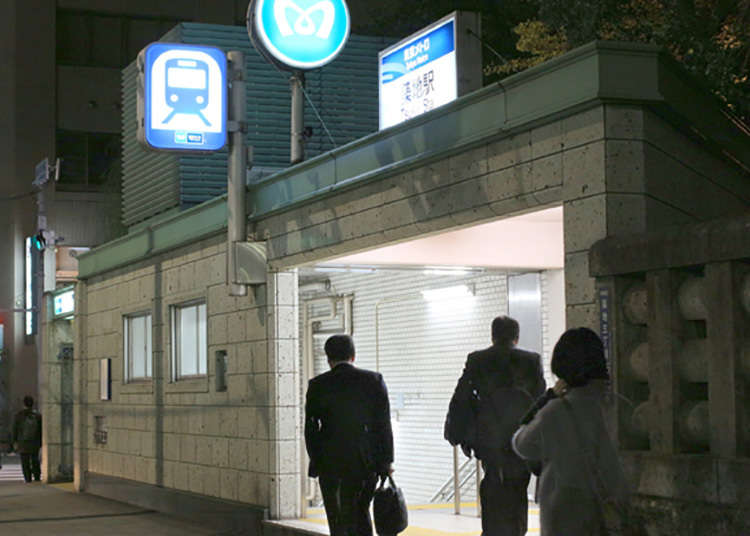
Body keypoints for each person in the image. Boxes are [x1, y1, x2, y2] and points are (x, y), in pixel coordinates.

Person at [512, 327, 629, 536]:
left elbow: (521, 444)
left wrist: (549, 397)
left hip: (566, 517)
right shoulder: (621, 406)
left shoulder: (556, 411)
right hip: (613, 514)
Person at [445, 316, 546, 536]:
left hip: (489, 437)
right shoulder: (531, 361)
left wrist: (457, 433)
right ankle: (517, 530)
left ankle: (492, 530)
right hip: (521, 438)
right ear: (516, 337)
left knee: (492, 484)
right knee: (518, 488)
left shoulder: (477, 360)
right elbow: (540, 400)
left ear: (493, 336)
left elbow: (461, 396)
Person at [305, 334, 394, 536]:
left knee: (336, 519)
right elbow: (383, 425)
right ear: (353, 356)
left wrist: (317, 460)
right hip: (365, 462)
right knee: (359, 512)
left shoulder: (318, 385)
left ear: (328, 358)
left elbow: (311, 428)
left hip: (330, 463)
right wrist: (386, 462)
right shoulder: (373, 380)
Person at [13, 395, 42, 483]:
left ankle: (27, 478)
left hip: (23, 442)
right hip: (34, 442)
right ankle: (37, 477)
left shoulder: (18, 415)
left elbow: (15, 429)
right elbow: (41, 430)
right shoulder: (37, 415)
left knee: (25, 461)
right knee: (35, 459)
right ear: (33, 404)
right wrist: (40, 442)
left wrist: (15, 441)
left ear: (24, 403)